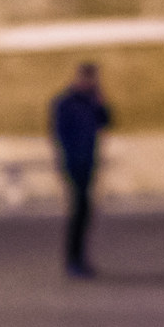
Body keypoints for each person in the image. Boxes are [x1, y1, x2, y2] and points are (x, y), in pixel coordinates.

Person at [50, 62, 112, 278]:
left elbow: (107, 122)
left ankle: (79, 258)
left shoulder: (91, 102)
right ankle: (73, 260)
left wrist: (101, 103)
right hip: (73, 164)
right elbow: (59, 134)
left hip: (88, 163)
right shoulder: (66, 103)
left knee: (85, 212)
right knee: (78, 211)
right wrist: (68, 159)